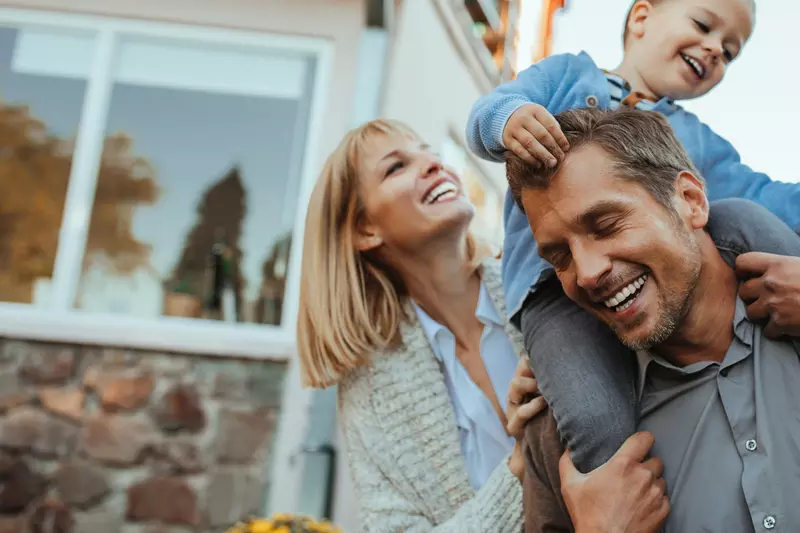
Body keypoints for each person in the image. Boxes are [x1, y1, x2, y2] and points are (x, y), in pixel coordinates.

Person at [464, 0, 800, 472]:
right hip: (556, 297)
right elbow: (489, 111)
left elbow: (763, 195)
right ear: (641, 18)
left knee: (741, 217)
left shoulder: (696, 140)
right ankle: (612, 491)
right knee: (595, 416)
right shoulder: (568, 77)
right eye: (704, 25)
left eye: (729, 52)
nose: (714, 50)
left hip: (649, 283)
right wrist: (510, 121)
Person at [504, 107, 800, 533]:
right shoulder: (565, 447)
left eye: (605, 225)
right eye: (560, 257)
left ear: (691, 201)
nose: (587, 273)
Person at [294, 119, 557, 533]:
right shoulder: (371, 391)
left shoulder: (540, 284)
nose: (434, 164)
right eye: (396, 167)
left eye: (429, 152)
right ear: (365, 229)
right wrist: (520, 467)